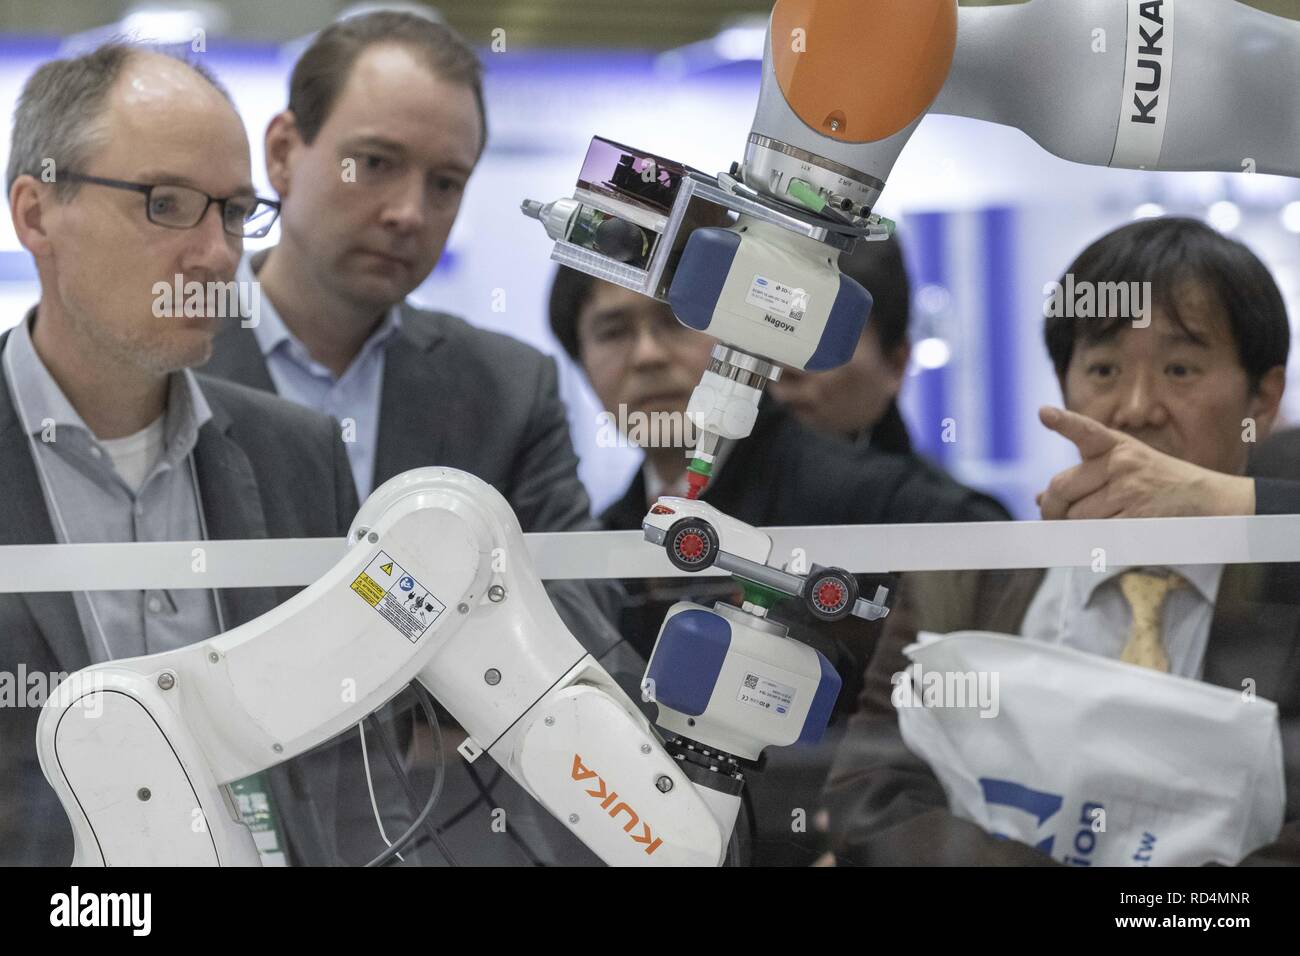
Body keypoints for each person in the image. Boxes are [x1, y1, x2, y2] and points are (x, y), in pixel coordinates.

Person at [200, 10, 639, 865]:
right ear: (284, 151)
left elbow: (583, 617)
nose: (409, 211)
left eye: (446, 183)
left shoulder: (506, 389)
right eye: (376, 163)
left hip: (444, 835)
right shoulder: (168, 364)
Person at [0, 43, 377, 866]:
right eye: (165, 203)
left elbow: (335, 763)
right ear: (35, 214)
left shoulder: (298, 454)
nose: (217, 255)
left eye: (236, 213)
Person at [822, 216, 1300, 865]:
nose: (1135, 407)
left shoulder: (1286, 590)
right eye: (1102, 370)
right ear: (1064, 389)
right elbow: (871, 800)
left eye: (1181, 369)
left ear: (1262, 399)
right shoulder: (966, 579)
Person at [548, 264, 1010, 864]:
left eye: (677, 323)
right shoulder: (603, 541)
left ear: (743, 340)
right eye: (612, 332)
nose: (647, 355)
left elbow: (995, 595)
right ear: (580, 360)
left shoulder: (872, 500)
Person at [770, 234, 913, 454]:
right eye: (772, 327)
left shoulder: (918, 489)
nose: (784, 366)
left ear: (896, 364)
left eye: (824, 336)